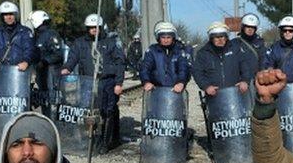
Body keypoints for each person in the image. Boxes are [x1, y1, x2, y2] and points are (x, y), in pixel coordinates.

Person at [61, 14, 126, 152]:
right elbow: (73, 58)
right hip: (88, 82)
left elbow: (120, 63)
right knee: (89, 110)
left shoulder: (110, 43)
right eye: (91, 28)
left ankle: (106, 142)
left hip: (107, 82)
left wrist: (119, 83)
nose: (94, 30)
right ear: (87, 28)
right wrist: (67, 68)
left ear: (101, 28)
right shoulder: (79, 43)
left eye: (96, 28)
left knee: (108, 112)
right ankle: (90, 139)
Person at [192, 22, 251, 97]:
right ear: (211, 38)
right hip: (214, 96)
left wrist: (245, 81)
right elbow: (197, 72)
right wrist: (206, 86)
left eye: (222, 36)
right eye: (216, 37)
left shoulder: (236, 49)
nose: (220, 40)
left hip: (235, 94)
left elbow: (245, 66)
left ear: (226, 37)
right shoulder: (203, 53)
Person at [29, 10, 64, 120]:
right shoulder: (37, 35)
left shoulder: (51, 34)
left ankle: (53, 122)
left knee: (52, 99)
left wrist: (45, 61)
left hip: (51, 72)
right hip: (41, 72)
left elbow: (58, 54)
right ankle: (46, 120)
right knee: (44, 99)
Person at [0, 1, 37, 72]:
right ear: (2, 17)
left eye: (11, 14)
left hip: (20, 70)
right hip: (1, 70)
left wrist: (26, 61)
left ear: (15, 15)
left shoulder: (25, 32)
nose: (9, 17)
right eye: (6, 15)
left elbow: (29, 48)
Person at [139, 21, 190, 93]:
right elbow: (145, 67)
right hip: (156, 91)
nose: (166, 40)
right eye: (163, 37)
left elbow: (183, 68)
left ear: (173, 38)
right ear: (158, 38)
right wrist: (146, 82)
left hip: (175, 91)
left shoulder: (179, 51)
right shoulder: (152, 51)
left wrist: (181, 82)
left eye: (168, 37)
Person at [232, 13, 265, 80]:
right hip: (240, 82)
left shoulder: (260, 43)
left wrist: (261, 76)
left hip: (256, 81)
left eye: (252, 27)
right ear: (243, 27)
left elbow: (263, 61)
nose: (250, 29)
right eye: (247, 26)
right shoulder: (234, 43)